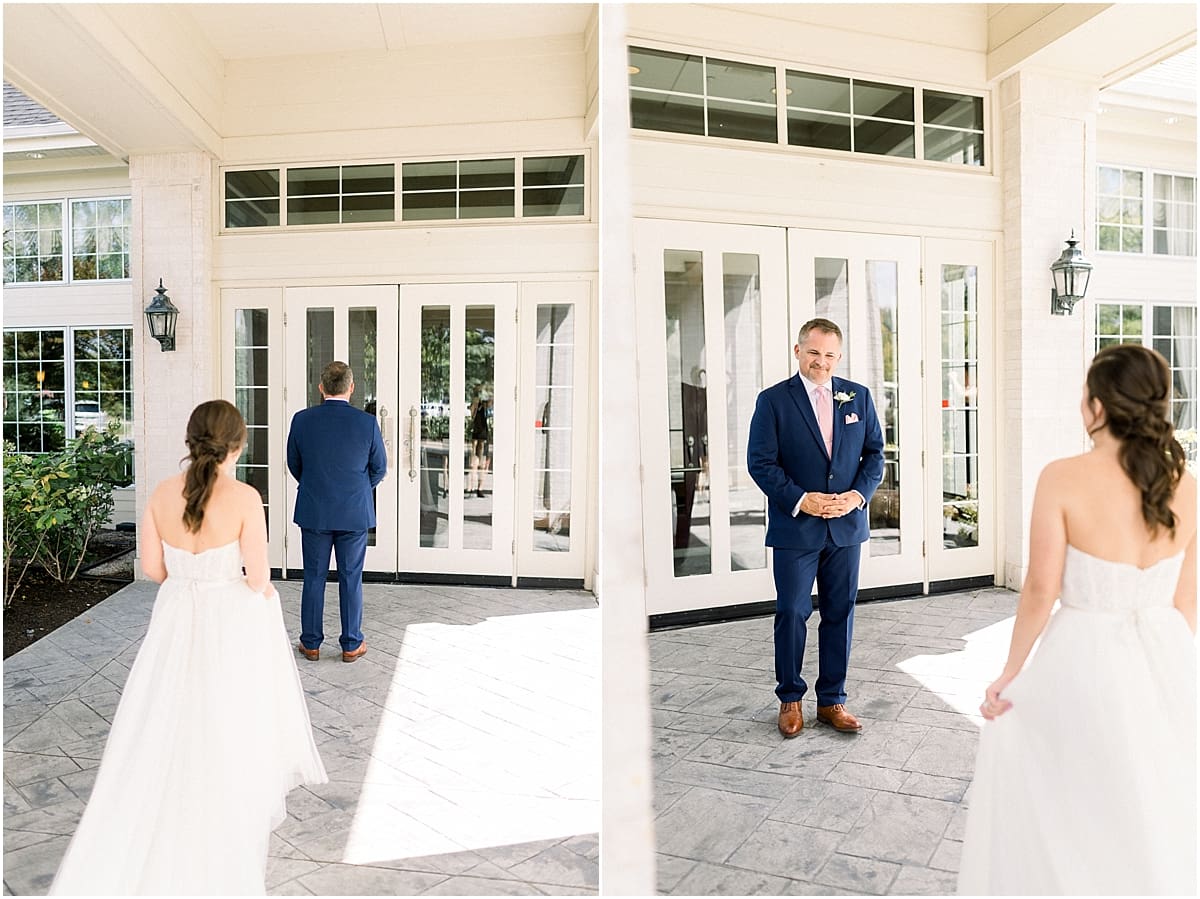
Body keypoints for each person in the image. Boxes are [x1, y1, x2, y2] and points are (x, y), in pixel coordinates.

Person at [49, 400, 327, 895]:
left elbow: (154, 571)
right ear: (237, 445)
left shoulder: (158, 494)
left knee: (168, 708)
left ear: (190, 440)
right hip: (228, 615)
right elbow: (259, 576)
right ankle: (226, 799)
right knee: (229, 711)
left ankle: (169, 794)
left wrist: (189, 574)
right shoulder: (244, 497)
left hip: (177, 614)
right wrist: (255, 589)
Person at [958, 344, 1196, 895]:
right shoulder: (1187, 485)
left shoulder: (1063, 477)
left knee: (1072, 805)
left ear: (1096, 406)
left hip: (1083, 657)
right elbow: (1187, 602)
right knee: (1156, 805)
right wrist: (1164, 671)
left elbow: (1041, 590)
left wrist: (1010, 673)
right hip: (1165, 656)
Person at [747, 318, 884, 737]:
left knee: (840, 614)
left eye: (828, 355)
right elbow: (761, 463)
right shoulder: (773, 401)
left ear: (838, 357)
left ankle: (832, 701)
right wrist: (802, 499)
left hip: (846, 527)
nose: (820, 362)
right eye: (813, 352)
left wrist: (857, 496)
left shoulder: (857, 396)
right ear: (798, 351)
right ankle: (790, 698)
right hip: (796, 529)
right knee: (792, 611)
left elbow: (875, 455)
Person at [287, 361, 386, 663]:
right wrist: (355, 488)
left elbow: (295, 464)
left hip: (315, 510)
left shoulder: (302, 420)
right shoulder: (366, 423)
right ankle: (351, 644)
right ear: (351, 387)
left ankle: (311, 643)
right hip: (354, 512)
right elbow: (379, 468)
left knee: (313, 577)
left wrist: (318, 485)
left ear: (321, 387)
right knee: (350, 577)